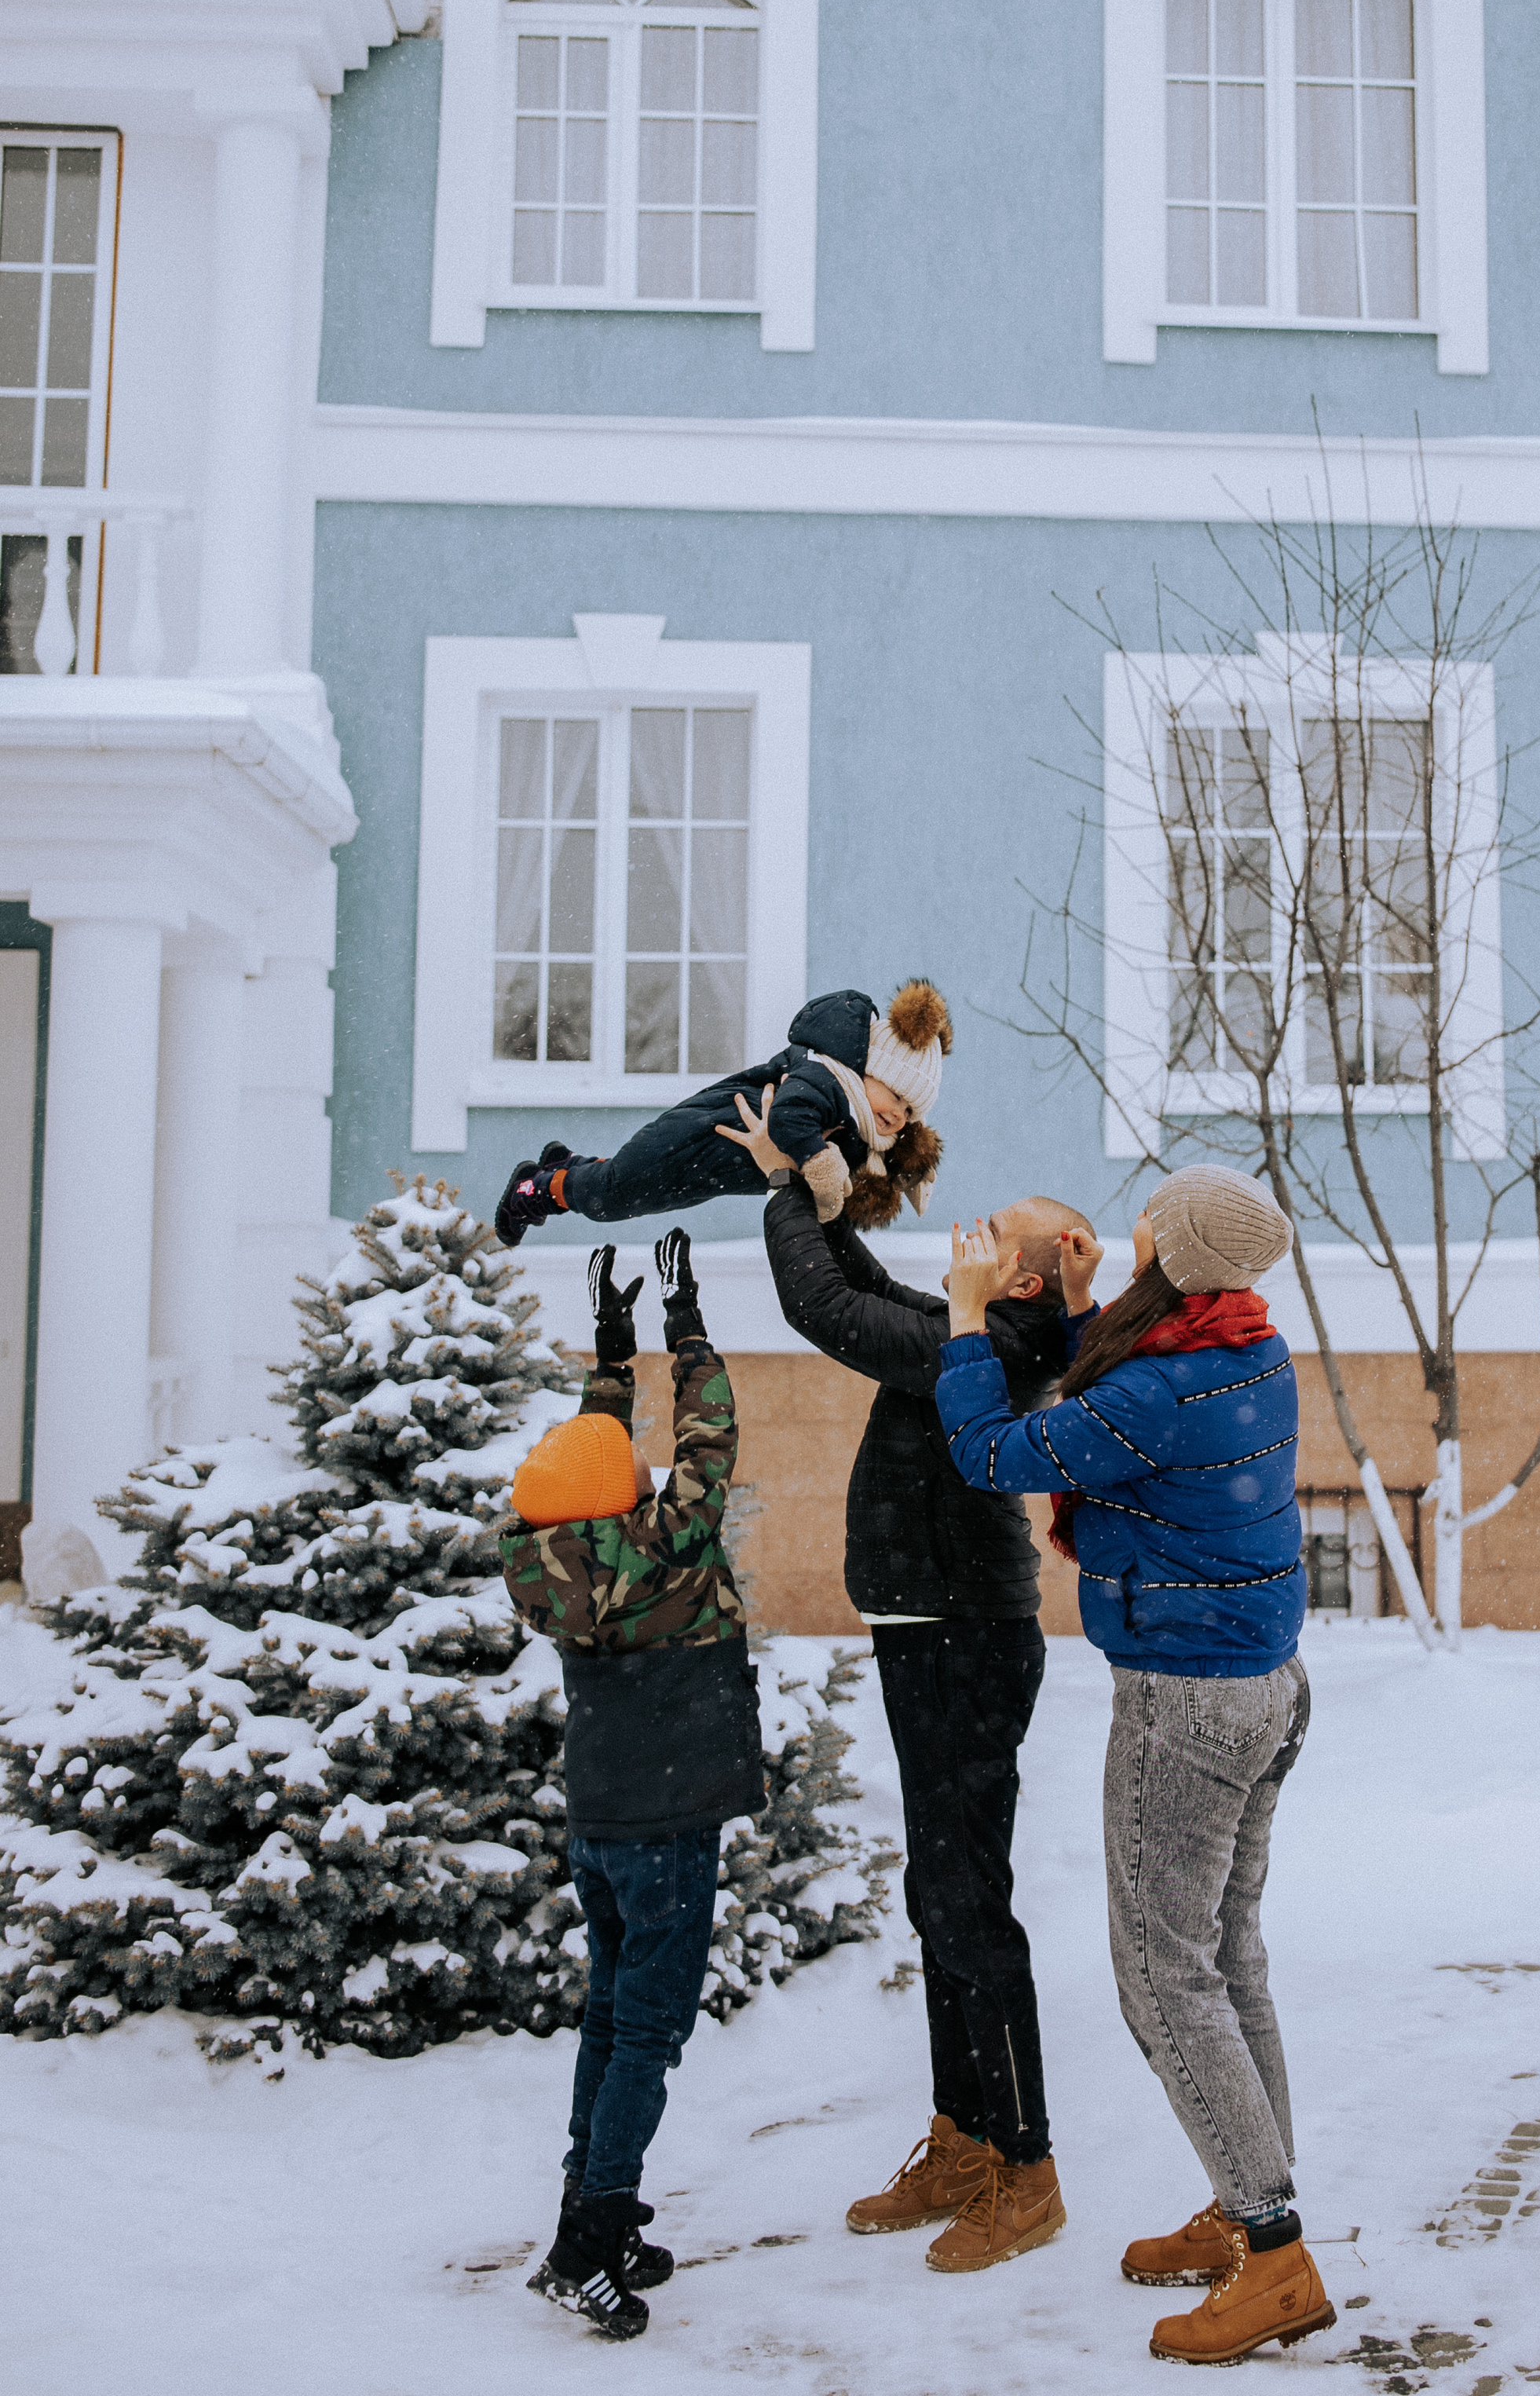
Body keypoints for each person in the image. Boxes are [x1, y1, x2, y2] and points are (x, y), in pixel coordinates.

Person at [934, 1165, 1331, 2366]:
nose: (1133, 1225)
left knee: (1163, 1980)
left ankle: (1274, 2254)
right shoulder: (1244, 1346)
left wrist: (967, 1321)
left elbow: (1002, 1452)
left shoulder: (1163, 1385)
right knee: (1229, 1957)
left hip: (1188, 1706)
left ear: (1175, 1252)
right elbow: (1121, 1386)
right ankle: (1247, 2203)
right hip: (1266, 1687)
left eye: (1150, 1221)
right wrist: (1080, 1308)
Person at [716, 1078, 1077, 2273]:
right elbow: (860, 1285)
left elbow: (830, 1316)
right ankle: (965, 2136)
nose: (964, 1236)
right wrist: (820, 1197)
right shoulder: (981, 1327)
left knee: (971, 1902)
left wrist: (780, 1191)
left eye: (988, 1233)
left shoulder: (998, 1340)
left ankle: (1025, 2167)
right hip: (933, 1630)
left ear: (1023, 1280)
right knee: (940, 1895)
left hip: (966, 1641)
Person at [499, 1231, 765, 2342]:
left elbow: (593, 1455)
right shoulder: (670, 1540)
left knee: (609, 2023)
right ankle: (587, 2240)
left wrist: (610, 1354)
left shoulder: (548, 1555)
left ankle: (589, 2206)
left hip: (605, 1815)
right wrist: (683, 1324)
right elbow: (714, 1434)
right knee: (647, 2031)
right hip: (669, 1822)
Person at [493, 979, 953, 1245]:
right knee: (608, 1199)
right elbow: (790, 1119)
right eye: (895, 1094)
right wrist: (821, 1161)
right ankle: (536, 1188)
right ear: (868, 1070)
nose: (899, 1113)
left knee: (628, 1190)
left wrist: (909, 1162)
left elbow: (866, 1155)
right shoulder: (826, 1078)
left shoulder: (857, 1116)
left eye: (912, 1109)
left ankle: (566, 1165)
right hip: (695, 1136)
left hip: (709, 1170)